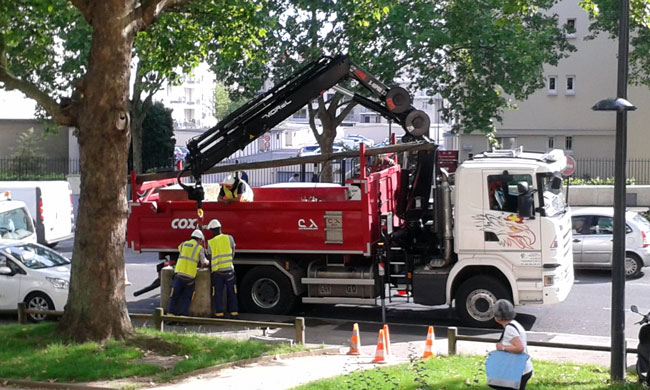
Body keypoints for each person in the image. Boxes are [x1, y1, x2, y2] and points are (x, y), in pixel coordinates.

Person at [490, 299, 533, 390]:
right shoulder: (515, 324)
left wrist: (502, 348)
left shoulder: (510, 329)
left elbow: (519, 348)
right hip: (524, 369)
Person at [167, 229, 208, 317]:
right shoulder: (199, 248)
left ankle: (170, 316)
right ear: (200, 240)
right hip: (189, 277)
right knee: (187, 298)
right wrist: (207, 261)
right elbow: (204, 262)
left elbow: (181, 250)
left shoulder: (183, 244)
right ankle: (183, 317)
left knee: (174, 296)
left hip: (179, 274)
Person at [207, 219, 239, 319]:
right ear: (220, 228)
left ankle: (219, 314)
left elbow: (210, 257)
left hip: (217, 273)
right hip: (229, 270)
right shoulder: (229, 238)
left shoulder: (211, 242)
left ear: (212, 230)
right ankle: (234, 313)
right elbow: (233, 251)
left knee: (218, 294)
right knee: (232, 293)